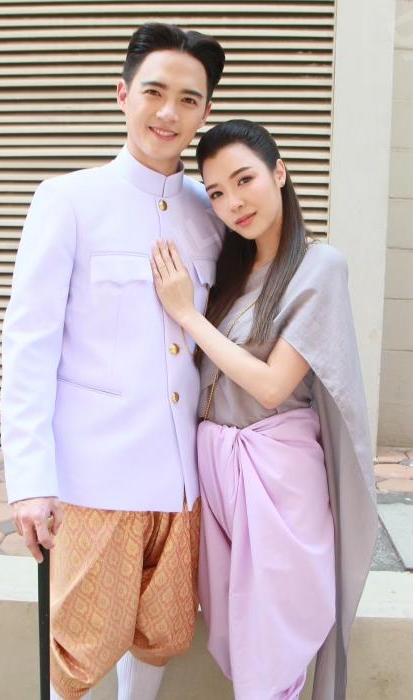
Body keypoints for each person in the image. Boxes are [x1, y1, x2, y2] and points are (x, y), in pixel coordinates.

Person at [0, 23, 225, 700]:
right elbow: (30, 342)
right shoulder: (68, 199)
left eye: (189, 99)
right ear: (122, 94)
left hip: (182, 483)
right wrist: (30, 479)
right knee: (76, 650)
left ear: (206, 112)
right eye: (154, 92)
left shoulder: (211, 213)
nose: (168, 112)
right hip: (94, 478)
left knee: (161, 635)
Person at [151, 119, 378, 700]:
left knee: (272, 644)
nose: (233, 202)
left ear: (279, 173)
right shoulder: (231, 270)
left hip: (276, 472)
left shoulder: (319, 266)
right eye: (217, 192)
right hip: (217, 470)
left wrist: (187, 315)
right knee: (237, 638)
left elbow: (275, 385)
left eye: (244, 179)